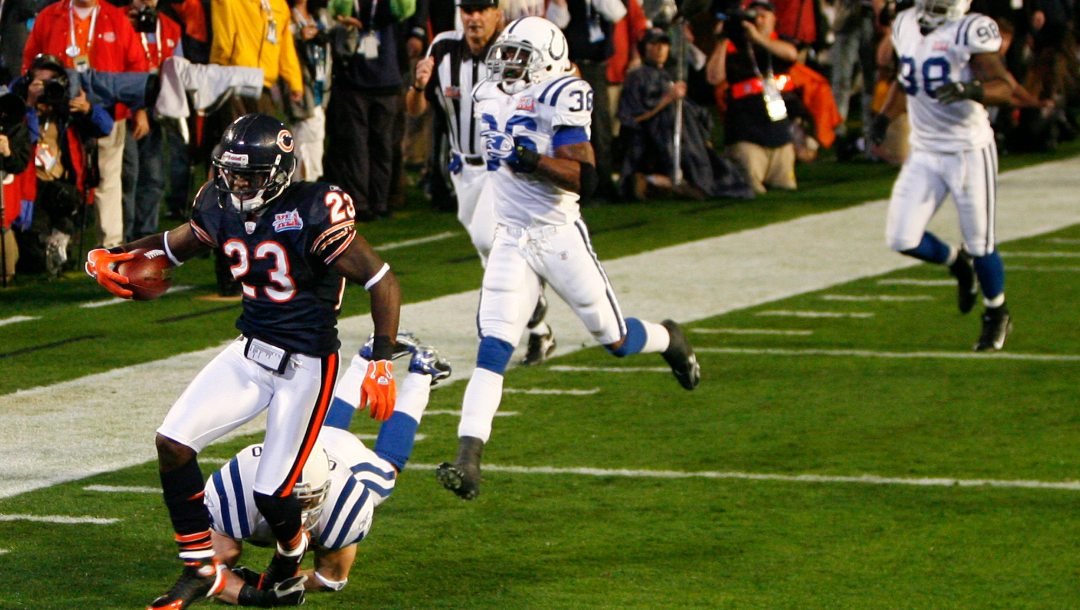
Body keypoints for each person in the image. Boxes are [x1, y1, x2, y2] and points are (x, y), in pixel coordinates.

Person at [83, 113, 402, 609]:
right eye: (230, 172)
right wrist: (117, 253)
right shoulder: (218, 201)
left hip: (306, 364)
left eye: (249, 174)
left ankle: (291, 551)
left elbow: (381, 279)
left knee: (275, 496)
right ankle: (199, 566)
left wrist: (381, 360)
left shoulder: (314, 209)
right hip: (251, 350)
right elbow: (174, 246)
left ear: (278, 172)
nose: (236, 182)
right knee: (172, 444)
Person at [436, 16, 702, 501]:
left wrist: (534, 160)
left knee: (614, 338)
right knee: (493, 349)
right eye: (507, 52)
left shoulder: (564, 92)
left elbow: (587, 178)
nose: (507, 62)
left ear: (547, 60)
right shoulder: (487, 93)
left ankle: (669, 338)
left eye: (520, 55)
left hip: (558, 236)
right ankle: (468, 459)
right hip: (511, 237)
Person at [205, 333, 450, 606]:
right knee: (321, 428)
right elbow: (208, 570)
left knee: (387, 468)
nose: (297, 510)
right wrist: (256, 592)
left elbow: (331, 577)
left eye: (306, 500)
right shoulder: (235, 491)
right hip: (299, 451)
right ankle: (365, 358)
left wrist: (276, 584)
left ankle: (422, 373)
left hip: (349, 462)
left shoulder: (345, 500)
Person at [407, 0, 558, 366]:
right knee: (491, 252)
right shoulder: (442, 48)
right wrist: (417, 84)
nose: (474, 18)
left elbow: (559, 80)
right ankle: (539, 328)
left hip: (505, 167)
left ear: (497, 13)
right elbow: (415, 109)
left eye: (482, 9)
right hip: (464, 170)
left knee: (489, 241)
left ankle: (499, 330)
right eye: (467, 9)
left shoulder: (517, 45)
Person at [871, 0, 1018, 350]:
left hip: (968, 149)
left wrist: (973, 90)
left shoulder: (970, 29)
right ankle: (956, 263)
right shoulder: (905, 22)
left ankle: (996, 312)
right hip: (924, 149)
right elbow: (908, 82)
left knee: (981, 242)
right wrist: (883, 117)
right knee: (901, 237)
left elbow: (1005, 87)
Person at [24, 0, 150, 250]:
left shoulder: (116, 18)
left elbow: (137, 68)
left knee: (108, 181)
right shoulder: (50, 15)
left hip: (108, 113)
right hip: (59, 117)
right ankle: (56, 244)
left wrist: (140, 110)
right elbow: (29, 62)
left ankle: (111, 247)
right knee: (59, 176)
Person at [617, 27, 753, 200]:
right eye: (654, 44)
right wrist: (667, 100)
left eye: (664, 44)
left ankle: (663, 184)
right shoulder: (637, 77)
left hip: (686, 139)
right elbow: (631, 117)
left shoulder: (667, 75)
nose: (660, 49)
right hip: (657, 141)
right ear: (645, 47)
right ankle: (658, 181)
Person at [705, 0, 800, 194]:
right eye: (754, 14)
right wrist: (723, 38)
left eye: (765, 14)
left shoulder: (779, 42)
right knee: (752, 188)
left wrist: (757, 38)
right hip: (747, 135)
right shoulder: (734, 46)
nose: (760, 18)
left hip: (780, 135)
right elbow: (713, 77)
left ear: (775, 18)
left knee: (787, 187)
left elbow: (791, 54)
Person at [122, 0, 183, 242]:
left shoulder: (169, 26)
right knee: (128, 175)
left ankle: (144, 236)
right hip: (122, 106)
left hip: (156, 109)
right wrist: (137, 108)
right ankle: (124, 235)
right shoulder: (116, 20)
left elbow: (177, 70)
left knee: (154, 176)